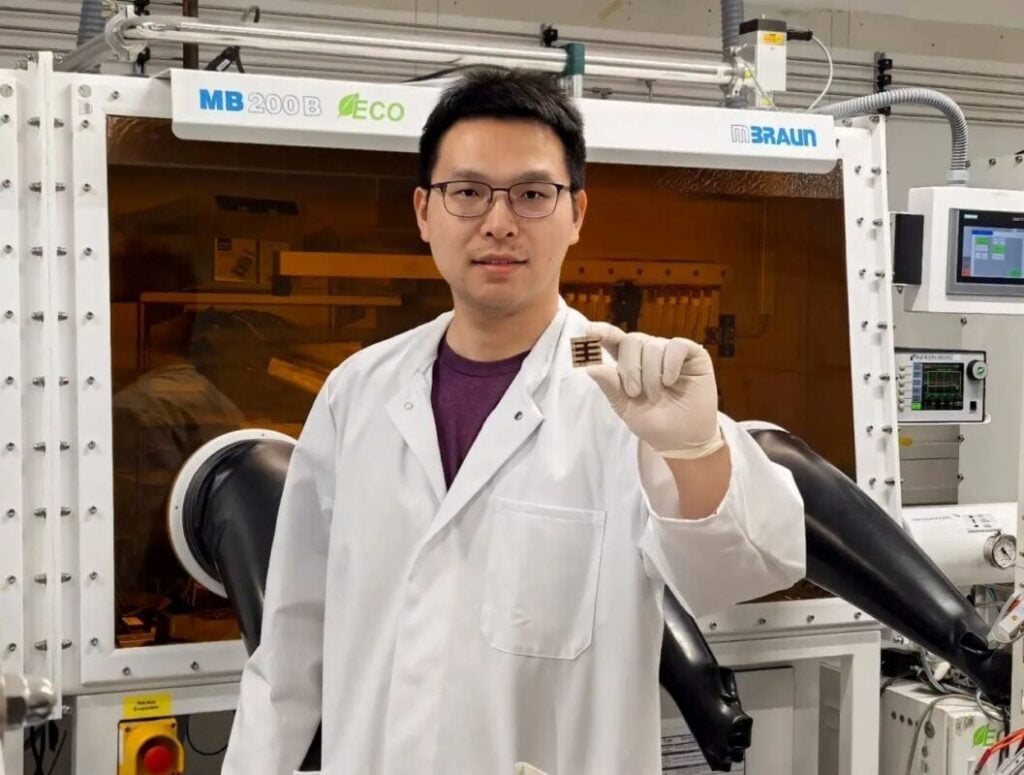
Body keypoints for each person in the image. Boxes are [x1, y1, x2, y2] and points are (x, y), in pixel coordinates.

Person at [222, 68, 806, 775]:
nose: (499, 221)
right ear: (423, 211)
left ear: (577, 214)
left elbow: (749, 564)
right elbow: (288, 648)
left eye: (532, 194)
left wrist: (697, 446)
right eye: (467, 192)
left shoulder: (620, 383)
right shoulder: (359, 390)